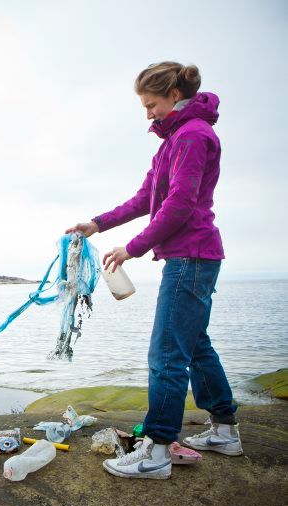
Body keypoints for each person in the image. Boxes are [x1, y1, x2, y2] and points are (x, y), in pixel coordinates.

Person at [66, 61, 241, 480]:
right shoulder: (172, 141)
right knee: (195, 345)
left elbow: (179, 205)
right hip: (192, 257)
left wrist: (133, 248)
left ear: (174, 95)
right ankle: (225, 431)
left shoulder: (194, 136)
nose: (148, 114)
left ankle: (157, 451)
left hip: (191, 257)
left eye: (151, 105)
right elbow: (146, 197)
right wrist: (98, 223)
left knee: (166, 354)